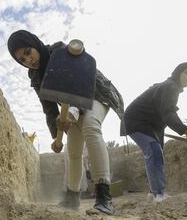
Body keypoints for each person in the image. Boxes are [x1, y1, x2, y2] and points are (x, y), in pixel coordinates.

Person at [7, 30, 124, 215]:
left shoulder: (61, 53)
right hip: (71, 109)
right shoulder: (36, 77)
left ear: (35, 44)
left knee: (91, 127)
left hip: (97, 94)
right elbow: (49, 107)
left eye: (28, 52)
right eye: (22, 59)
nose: (28, 60)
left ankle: (104, 196)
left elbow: (83, 85)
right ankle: (72, 198)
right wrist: (56, 136)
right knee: (73, 149)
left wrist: (72, 113)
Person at [124, 62, 187, 203]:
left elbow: (162, 119)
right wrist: (186, 131)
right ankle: (159, 194)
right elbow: (168, 113)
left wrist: (160, 142)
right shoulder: (170, 87)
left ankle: (153, 193)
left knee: (156, 153)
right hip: (137, 121)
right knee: (153, 152)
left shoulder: (169, 87)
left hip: (151, 125)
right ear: (178, 72)